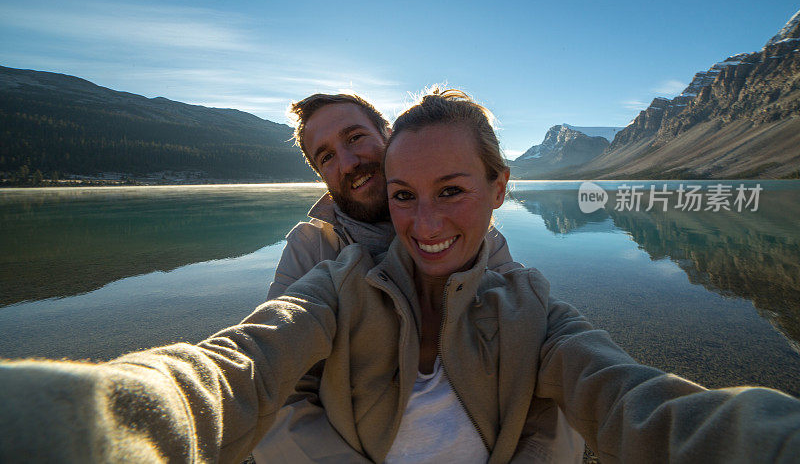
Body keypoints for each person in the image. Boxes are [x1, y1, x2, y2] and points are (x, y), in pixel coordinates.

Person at [2, 89, 800, 463]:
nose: (423, 224)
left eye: (449, 191)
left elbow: (626, 394)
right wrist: (95, 417)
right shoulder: (328, 267)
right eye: (327, 154)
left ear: (496, 191)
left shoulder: (516, 287)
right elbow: (241, 365)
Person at [256, 92, 544, 462]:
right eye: (326, 157)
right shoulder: (311, 248)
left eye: (355, 137)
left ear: (387, 135)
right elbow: (275, 384)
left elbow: (539, 357)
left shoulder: (475, 237)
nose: (348, 163)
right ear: (321, 174)